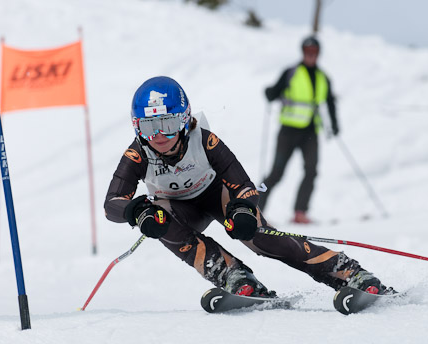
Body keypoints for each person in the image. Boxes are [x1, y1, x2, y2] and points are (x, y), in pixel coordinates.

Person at [104, 76, 392, 299]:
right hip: (178, 209)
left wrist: (243, 209)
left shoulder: (204, 140)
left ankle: (345, 272)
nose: (159, 135)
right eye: (149, 126)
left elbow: (242, 184)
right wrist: (138, 211)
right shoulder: (138, 153)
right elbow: (112, 204)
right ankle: (232, 275)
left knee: (262, 238)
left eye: (167, 123)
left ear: (183, 119)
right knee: (160, 220)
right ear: (136, 127)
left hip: (216, 195)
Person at [259, 35, 339, 224]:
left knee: (311, 171)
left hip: (310, 132)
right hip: (288, 131)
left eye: (314, 52)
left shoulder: (323, 77)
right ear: (303, 52)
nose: (311, 55)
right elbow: (275, 92)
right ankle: (255, 208)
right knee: (276, 173)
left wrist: (335, 124)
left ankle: (300, 212)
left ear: (318, 54)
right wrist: (270, 93)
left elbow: (330, 102)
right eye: (308, 52)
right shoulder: (291, 72)